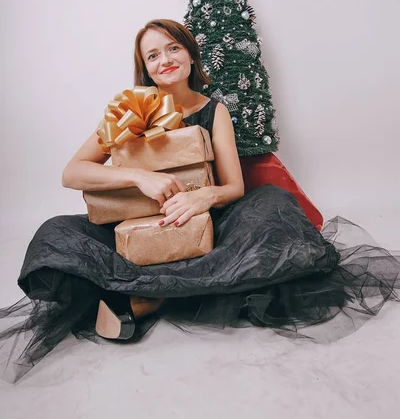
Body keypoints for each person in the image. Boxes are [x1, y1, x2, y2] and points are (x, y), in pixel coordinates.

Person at [1, 19, 399, 382]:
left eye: (173, 48)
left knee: (274, 204)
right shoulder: (130, 110)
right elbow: (72, 173)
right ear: (145, 67)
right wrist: (139, 176)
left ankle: (144, 296)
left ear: (190, 54)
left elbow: (234, 187)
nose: (165, 60)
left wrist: (205, 196)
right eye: (152, 55)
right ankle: (207, 289)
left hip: (209, 229)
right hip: (137, 229)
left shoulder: (214, 111)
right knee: (55, 234)